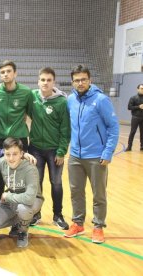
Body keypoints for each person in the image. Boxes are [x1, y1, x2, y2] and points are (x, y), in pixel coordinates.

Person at [64, 65, 119, 244]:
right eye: (77, 80)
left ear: (90, 80)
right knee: (76, 191)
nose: (80, 83)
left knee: (99, 194)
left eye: (83, 79)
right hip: (75, 156)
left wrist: (108, 151)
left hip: (96, 156)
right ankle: (78, 223)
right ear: (72, 82)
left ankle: (98, 226)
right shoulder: (70, 99)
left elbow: (113, 126)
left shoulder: (101, 100)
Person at [27, 67, 70, 229]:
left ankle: (57, 215)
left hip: (54, 151)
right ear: (38, 81)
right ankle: (36, 213)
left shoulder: (61, 102)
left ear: (54, 82)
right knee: (36, 183)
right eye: (42, 80)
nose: (45, 83)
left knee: (56, 182)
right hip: (35, 148)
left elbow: (66, 129)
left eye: (48, 80)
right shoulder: (32, 97)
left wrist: (61, 151)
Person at [0, 137, 43, 248]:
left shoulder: (30, 169)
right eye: (8, 154)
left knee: (23, 209)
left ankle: (22, 231)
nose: (11, 158)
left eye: (15, 154)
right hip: (11, 199)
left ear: (22, 153)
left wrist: (8, 196)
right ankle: (18, 222)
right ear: (4, 153)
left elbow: (29, 198)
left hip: (32, 200)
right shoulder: (2, 162)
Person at [0, 60, 33, 207]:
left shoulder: (26, 92)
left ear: (15, 73)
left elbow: (32, 113)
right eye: (2, 72)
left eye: (8, 71)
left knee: (20, 174)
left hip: (20, 137)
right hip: (1, 138)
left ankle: (20, 206)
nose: (5, 74)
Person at [125, 83, 143, 151]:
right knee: (132, 132)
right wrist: (139, 106)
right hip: (135, 117)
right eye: (141, 88)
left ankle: (142, 146)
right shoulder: (133, 98)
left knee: (142, 133)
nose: (142, 90)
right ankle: (129, 146)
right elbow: (129, 107)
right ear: (138, 89)